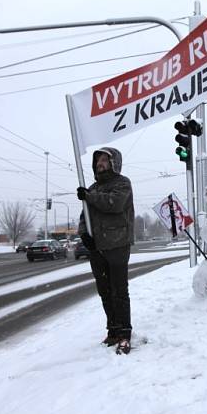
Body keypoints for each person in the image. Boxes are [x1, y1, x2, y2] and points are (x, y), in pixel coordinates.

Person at [77, 147, 135, 355]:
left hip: (118, 245)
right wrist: (84, 234)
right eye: (98, 160)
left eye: (104, 160)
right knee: (105, 291)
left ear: (114, 162)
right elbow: (84, 217)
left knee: (119, 291)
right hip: (97, 249)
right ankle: (113, 330)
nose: (100, 163)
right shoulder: (92, 188)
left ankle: (125, 335)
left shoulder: (122, 183)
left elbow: (115, 204)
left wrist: (89, 197)